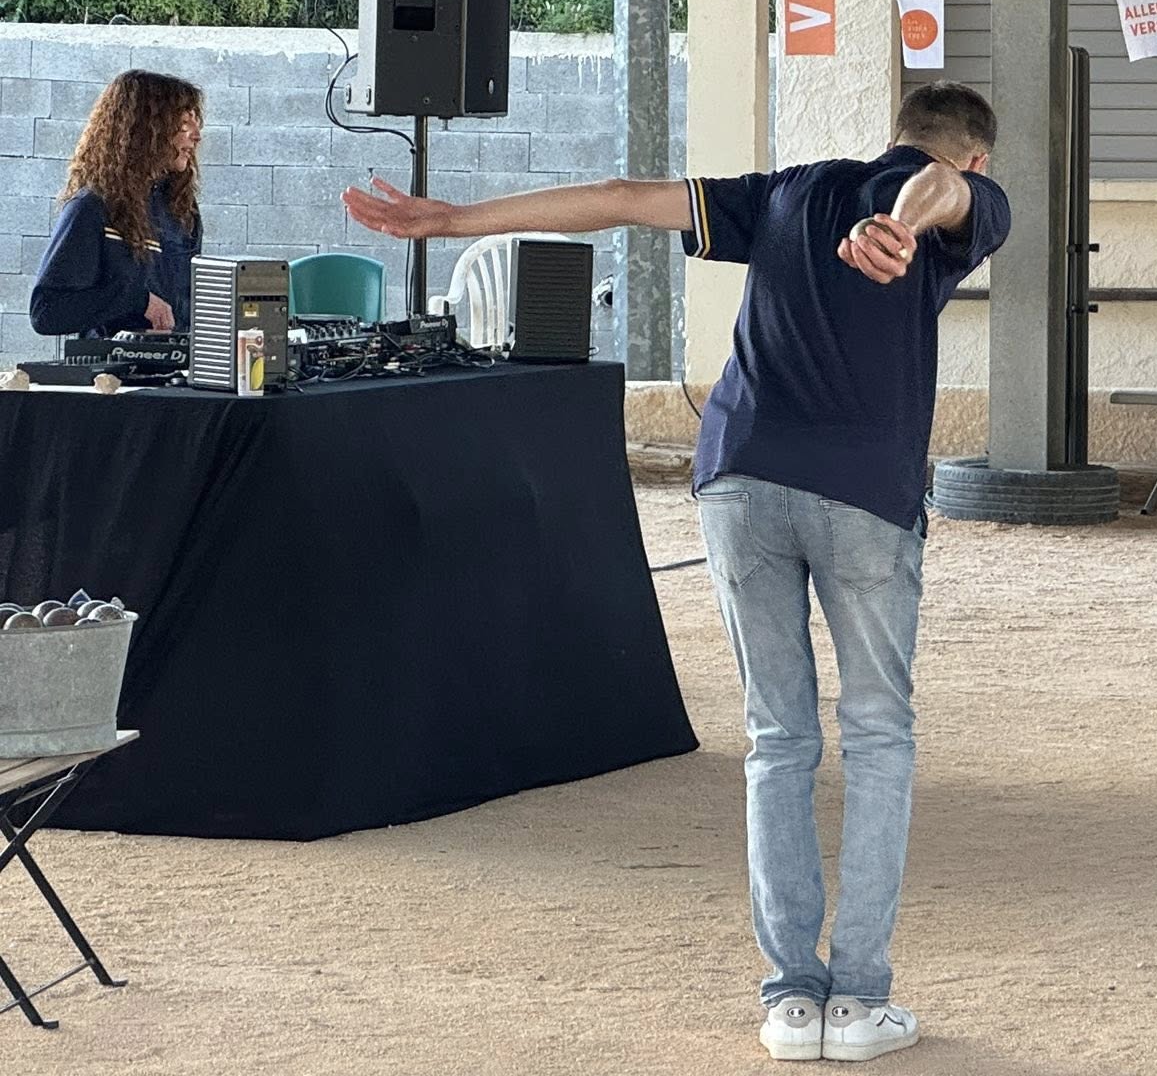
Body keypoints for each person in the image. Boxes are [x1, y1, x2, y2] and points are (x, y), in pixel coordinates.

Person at [341, 81, 1011, 1064]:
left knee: (778, 737)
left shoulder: (787, 190)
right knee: (877, 737)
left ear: (895, 136)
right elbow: (942, 194)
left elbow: (621, 197)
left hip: (740, 478)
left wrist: (452, 221)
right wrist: (900, 227)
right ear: (977, 157)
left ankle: (791, 1004)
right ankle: (857, 1002)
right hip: (864, 493)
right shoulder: (963, 198)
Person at [29, 70, 205, 338]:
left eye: (196, 122)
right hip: (112, 364)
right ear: (146, 130)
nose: (196, 135)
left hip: (178, 363)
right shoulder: (91, 208)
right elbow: (46, 313)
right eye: (183, 123)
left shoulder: (182, 211)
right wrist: (137, 301)